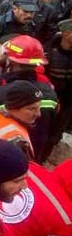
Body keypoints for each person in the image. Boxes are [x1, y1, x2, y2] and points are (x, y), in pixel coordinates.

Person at [46, 19, 72, 159]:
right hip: (50, 100)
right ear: (66, 34)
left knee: (55, 136)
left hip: (68, 104)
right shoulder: (50, 51)